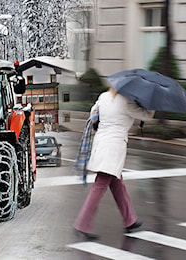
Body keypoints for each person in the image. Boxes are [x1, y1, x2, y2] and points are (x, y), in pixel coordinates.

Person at [73, 85, 155, 239]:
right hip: (113, 148)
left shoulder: (104, 97)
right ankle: (82, 224)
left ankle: (130, 220)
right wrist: (150, 106)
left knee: (118, 185)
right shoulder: (127, 102)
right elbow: (147, 116)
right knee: (100, 185)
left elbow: (93, 113)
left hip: (101, 143)